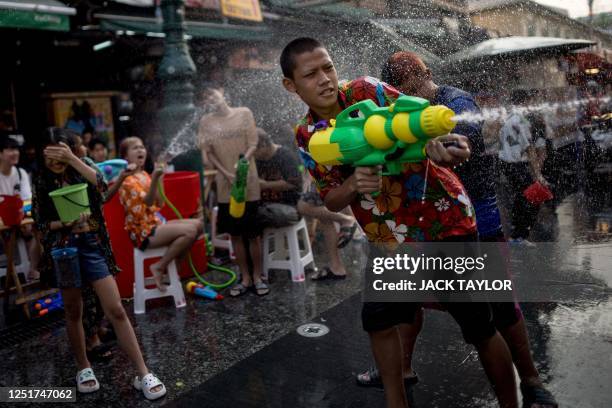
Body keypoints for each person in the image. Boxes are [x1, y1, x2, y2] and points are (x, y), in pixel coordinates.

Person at [281, 37, 518, 408]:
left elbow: (422, 122)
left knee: (478, 325)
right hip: (390, 235)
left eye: (327, 67)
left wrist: (444, 143)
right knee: (378, 319)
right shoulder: (306, 135)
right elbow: (330, 197)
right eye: (311, 74)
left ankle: (510, 402)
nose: (325, 78)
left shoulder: (366, 90)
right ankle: (396, 402)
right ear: (291, 85)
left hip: (443, 221)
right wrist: (352, 184)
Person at [351, 51, 557, 408]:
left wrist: (440, 147)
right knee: (406, 302)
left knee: (501, 310)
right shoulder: (402, 114)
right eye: (394, 88)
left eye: (404, 84)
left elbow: (463, 139)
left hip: (476, 226)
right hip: (423, 228)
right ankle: (401, 369)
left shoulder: (454, 101)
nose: (400, 94)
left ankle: (532, 382)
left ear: (421, 76)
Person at [32, 127, 166, 399]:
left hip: (92, 245)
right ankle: (84, 367)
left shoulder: (83, 165)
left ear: (70, 149)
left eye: (61, 155)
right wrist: (65, 224)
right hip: (64, 249)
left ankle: (143, 372)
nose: (55, 163)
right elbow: (41, 224)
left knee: (116, 309)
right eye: (50, 158)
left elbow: (101, 186)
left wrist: (72, 160)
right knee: (73, 311)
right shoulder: (42, 180)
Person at [198, 87, 267, 297]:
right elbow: (208, 155)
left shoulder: (244, 113)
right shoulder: (206, 122)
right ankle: (245, 278)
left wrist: (243, 162)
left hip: (249, 182)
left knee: (253, 234)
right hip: (226, 185)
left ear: (222, 92)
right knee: (235, 235)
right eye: (206, 97)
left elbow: (253, 143)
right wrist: (226, 173)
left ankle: (258, 277)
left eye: (211, 93)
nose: (211, 98)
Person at [118, 137, 203, 292]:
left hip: (154, 225)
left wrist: (160, 177)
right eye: (135, 148)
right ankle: (160, 267)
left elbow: (160, 203)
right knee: (190, 231)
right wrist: (156, 177)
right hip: (142, 233)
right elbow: (149, 202)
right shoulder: (127, 180)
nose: (140, 150)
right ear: (125, 157)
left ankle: (173, 269)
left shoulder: (144, 175)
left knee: (198, 225)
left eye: (142, 147)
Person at [498, 89, 548, 246]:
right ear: (524, 103)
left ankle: (517, 235)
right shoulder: (521, 121)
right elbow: (530, 149)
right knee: (532, 199)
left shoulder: (508, 119)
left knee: (521, 199)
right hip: (518, 165)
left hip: (507, 165)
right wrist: (538, 174)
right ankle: (520, 235)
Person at [0, 132, 40, 281]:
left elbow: (27, 200)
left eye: (16, 149)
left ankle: (33, 268)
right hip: (2, 223)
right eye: (10, 149)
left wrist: (22, 213)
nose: (15, 153)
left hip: (19, 219)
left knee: (37, 228)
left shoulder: (20, 173)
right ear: (0, 153)